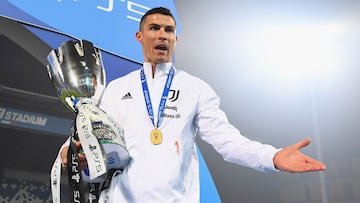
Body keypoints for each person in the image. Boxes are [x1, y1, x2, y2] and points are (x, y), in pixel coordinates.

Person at [59, 7, 326, 202]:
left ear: (176, 39)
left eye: (169, 30)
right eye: (154, 28)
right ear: (139, 36)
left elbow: (228, 142)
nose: (162, 35)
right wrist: (70, 153)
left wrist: (273, 157)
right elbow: (90, 136)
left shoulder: (195, 89)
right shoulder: (116, 89)